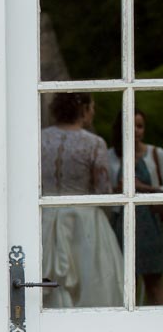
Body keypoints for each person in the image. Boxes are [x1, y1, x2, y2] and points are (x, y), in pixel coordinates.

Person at [40, 93, 123, 308]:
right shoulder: (94, 143)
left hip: (43, 217)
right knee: (92, 284)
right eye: (92, 107)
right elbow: (103, 191)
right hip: (84, 221)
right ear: (83, 109)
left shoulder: (38, 138)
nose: (93, 112)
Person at [108, 109, 163, 306]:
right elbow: (102, 191)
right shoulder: (111, 156)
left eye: (140, 126)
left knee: (154, 282)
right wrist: (117, 189)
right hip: (121, 226)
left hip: (152, 227)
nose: (136, 131)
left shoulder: (156, 154)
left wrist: (143, 188)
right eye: (131, 125)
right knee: (123, 282)